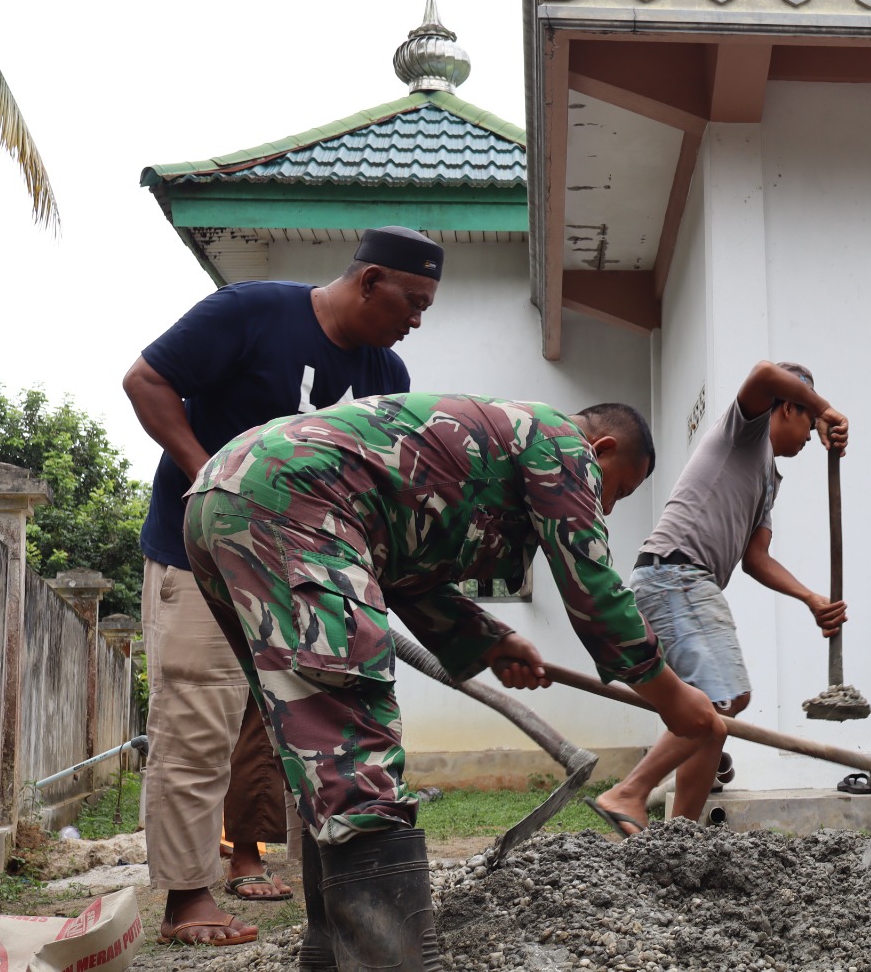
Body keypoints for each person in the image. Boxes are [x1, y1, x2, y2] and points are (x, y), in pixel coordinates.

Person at [184, 393, 722, 971]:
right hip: (295, 501)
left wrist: (488, 639)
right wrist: (672, 697)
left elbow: (409, 572)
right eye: (617, 490)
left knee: (315, 747)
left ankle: (331, 957)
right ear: (602, 450)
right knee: (350, 745)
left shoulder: (490, 448)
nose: (605, 506)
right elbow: (591, 584)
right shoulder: (565, 446)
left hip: (229, 497)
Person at [123, 226, 441, 947]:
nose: (417, 319)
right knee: (197, 726)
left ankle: (333, 891)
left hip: (301, 579)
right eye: (412, 300)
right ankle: (187, 898)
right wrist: (215, 481)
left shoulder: (386, 378)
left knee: (318, 732)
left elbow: (371, 489)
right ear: (369, 282)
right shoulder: (250, 312)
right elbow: (145, 380)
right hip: (196, 557)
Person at [589, 361, 849, 833]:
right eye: (808, 421)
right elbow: (764, 374)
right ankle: (627, 793)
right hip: (678, 574)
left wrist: (810, 598)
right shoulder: (744, 432)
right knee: (722, 699)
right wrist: (826, 406)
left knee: (709, 718)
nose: (813, 434)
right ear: (788, 407)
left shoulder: (769, 477)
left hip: (679, 580)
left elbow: (756, 558)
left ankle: (678, 841)